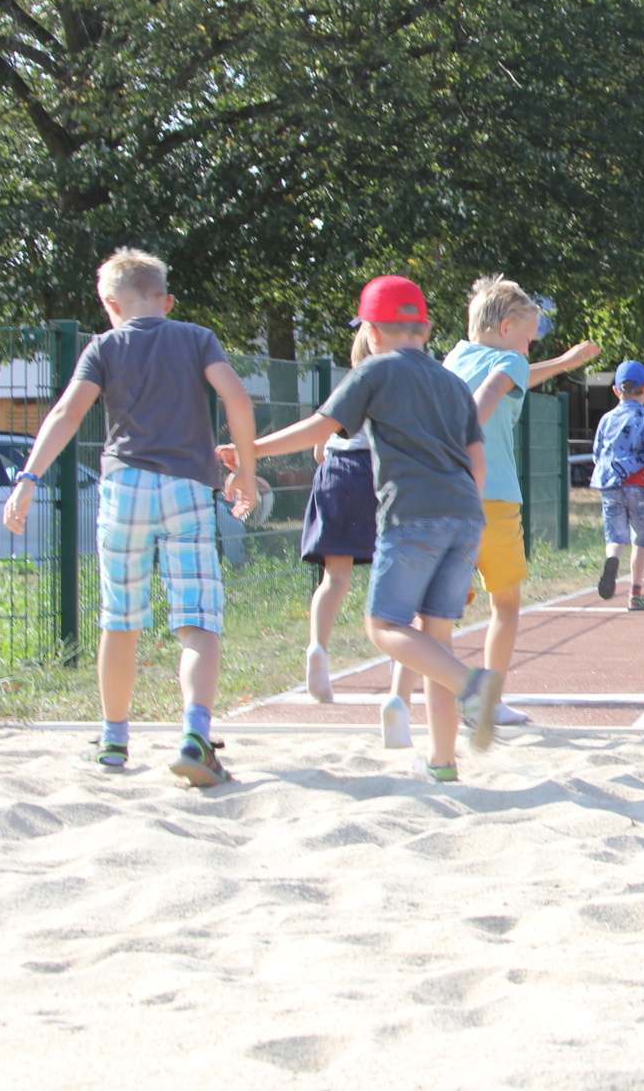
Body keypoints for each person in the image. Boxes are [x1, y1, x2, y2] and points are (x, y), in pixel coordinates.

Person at [3, 248, 258, 784]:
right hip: (187, 486)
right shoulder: (196, 338)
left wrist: (27, 478)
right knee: (197, 620)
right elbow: (235, 396)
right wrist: (247, 470)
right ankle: (194, 735)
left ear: (109, 303)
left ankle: (114, 741)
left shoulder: (104, 346)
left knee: (120, 619)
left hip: (124, 488)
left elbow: (67, 412)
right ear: (166, 299)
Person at [241, 275, 506, 779]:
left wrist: (251, 451)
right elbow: (478, 462)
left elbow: (318, 430)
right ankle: (444, 762)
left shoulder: (375, 372)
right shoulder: (452, 383)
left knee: (384, 626)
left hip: (412, 514)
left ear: (371, 330)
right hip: (466, 516)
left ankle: (475, 688)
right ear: (424, 329)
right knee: (436, 643)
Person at [436, 275, 600, 733]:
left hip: (444, 493)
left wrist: (563, 362)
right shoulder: (510, 359)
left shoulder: (452, 358)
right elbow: (493, 390)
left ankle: (436, 694)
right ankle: (489, 699)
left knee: (440, 606)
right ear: (506, 327)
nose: (529, 349)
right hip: (494, 496)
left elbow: (518, 374)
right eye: (528, 338)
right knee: (505, 604)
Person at [296, 328, 379, 705]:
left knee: (335, 577)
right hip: (372, 474)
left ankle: (317, 647)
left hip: (333, 472)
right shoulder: (388, 387)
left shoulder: (343, 388)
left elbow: (317, 451)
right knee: (391, 569)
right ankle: (399, 660)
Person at [592, 361, 644, 610]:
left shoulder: (606, 419)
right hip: (639, 486)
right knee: (641, 538)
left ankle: (612, 559)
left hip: (610, 485)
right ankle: (635, 593)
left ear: (616, 391)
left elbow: (597, 453)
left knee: (616, 536)